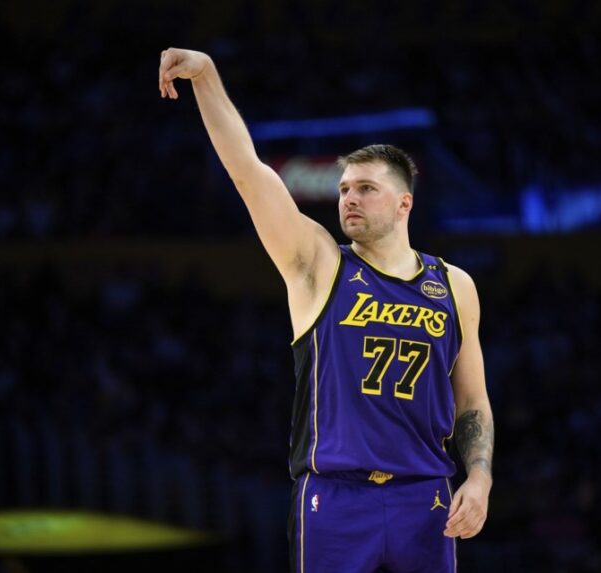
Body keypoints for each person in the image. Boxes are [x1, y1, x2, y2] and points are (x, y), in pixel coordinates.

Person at [158, 48, 494, 573]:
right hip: (335, 496)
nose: (348, 200)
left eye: (365, 189)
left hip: (425, 494)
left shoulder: (454, 285)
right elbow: (248, 172)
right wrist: (207, 78)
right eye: (342, 190)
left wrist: (479, 477)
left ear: (405, 202)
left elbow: (471, 399)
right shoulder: (317, 263)